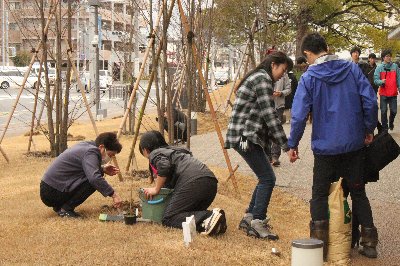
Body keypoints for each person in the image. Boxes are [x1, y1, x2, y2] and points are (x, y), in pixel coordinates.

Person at [288, 33, 378, 259]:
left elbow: (298, 116)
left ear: (308, 53)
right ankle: (368, 242)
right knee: (358, 192)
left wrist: (293, 143)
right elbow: (369, 101)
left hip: (325, 149)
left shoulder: (309, 78)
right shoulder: (352, 69)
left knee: (319, 195)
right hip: (353, 145)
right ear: (326, 48)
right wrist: (368, 130)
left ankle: (321, 245)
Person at [225, 51, 291, 240]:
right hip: (244, 137)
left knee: (264, 176)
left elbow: (264, 118)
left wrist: (280, 144)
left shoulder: (257, 76)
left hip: (242, 137)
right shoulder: (262, 79)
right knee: (268, 178)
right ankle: (257, 222)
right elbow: (270, 116)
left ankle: (249, 218)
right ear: (273, 65)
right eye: (283, 70)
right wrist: (286, 146)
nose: (283, 75)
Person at [139, 130, 227, 236]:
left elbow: (164, 166)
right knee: (185, 213)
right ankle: (214, 222)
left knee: (169, 218)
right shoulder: (175, 151)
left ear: (145, 149)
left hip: (194, 182)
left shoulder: (155, 153)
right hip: (210, 182)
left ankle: (208, 216)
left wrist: (156, 189)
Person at [40, 132, 123, 218]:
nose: (110, 158)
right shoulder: (91, 152)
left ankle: (60, 206)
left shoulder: (87, 146)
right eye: (110, 155)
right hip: (52, 192)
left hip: (50, 188)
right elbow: (94, 178)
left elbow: (82, 168)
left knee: (97, 173)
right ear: (102, 147)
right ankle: (65, 209)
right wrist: (114, 195)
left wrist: (102, 168)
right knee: (95, 179)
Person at [268, 58, 293, 166]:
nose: (282, 73)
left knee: (276, 129)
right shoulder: (264, 76)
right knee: (268, 130)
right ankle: (267, 155)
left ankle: (275, 156)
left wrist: (281, 93)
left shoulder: (284, 75)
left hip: (278, 105)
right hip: (268, 105)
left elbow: (289, 88)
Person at [374, 49, 400, 132]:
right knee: (383, 112)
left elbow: (399, 78)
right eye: (387, 56)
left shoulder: (395, 67)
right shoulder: (379, 67)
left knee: (394, 111)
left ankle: (391, 122)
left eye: (390, 56)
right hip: (383, 94)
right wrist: (381, 81)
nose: (389, 57)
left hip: (393, 93)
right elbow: (375, 80)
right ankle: (385, 129)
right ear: (383, 58)